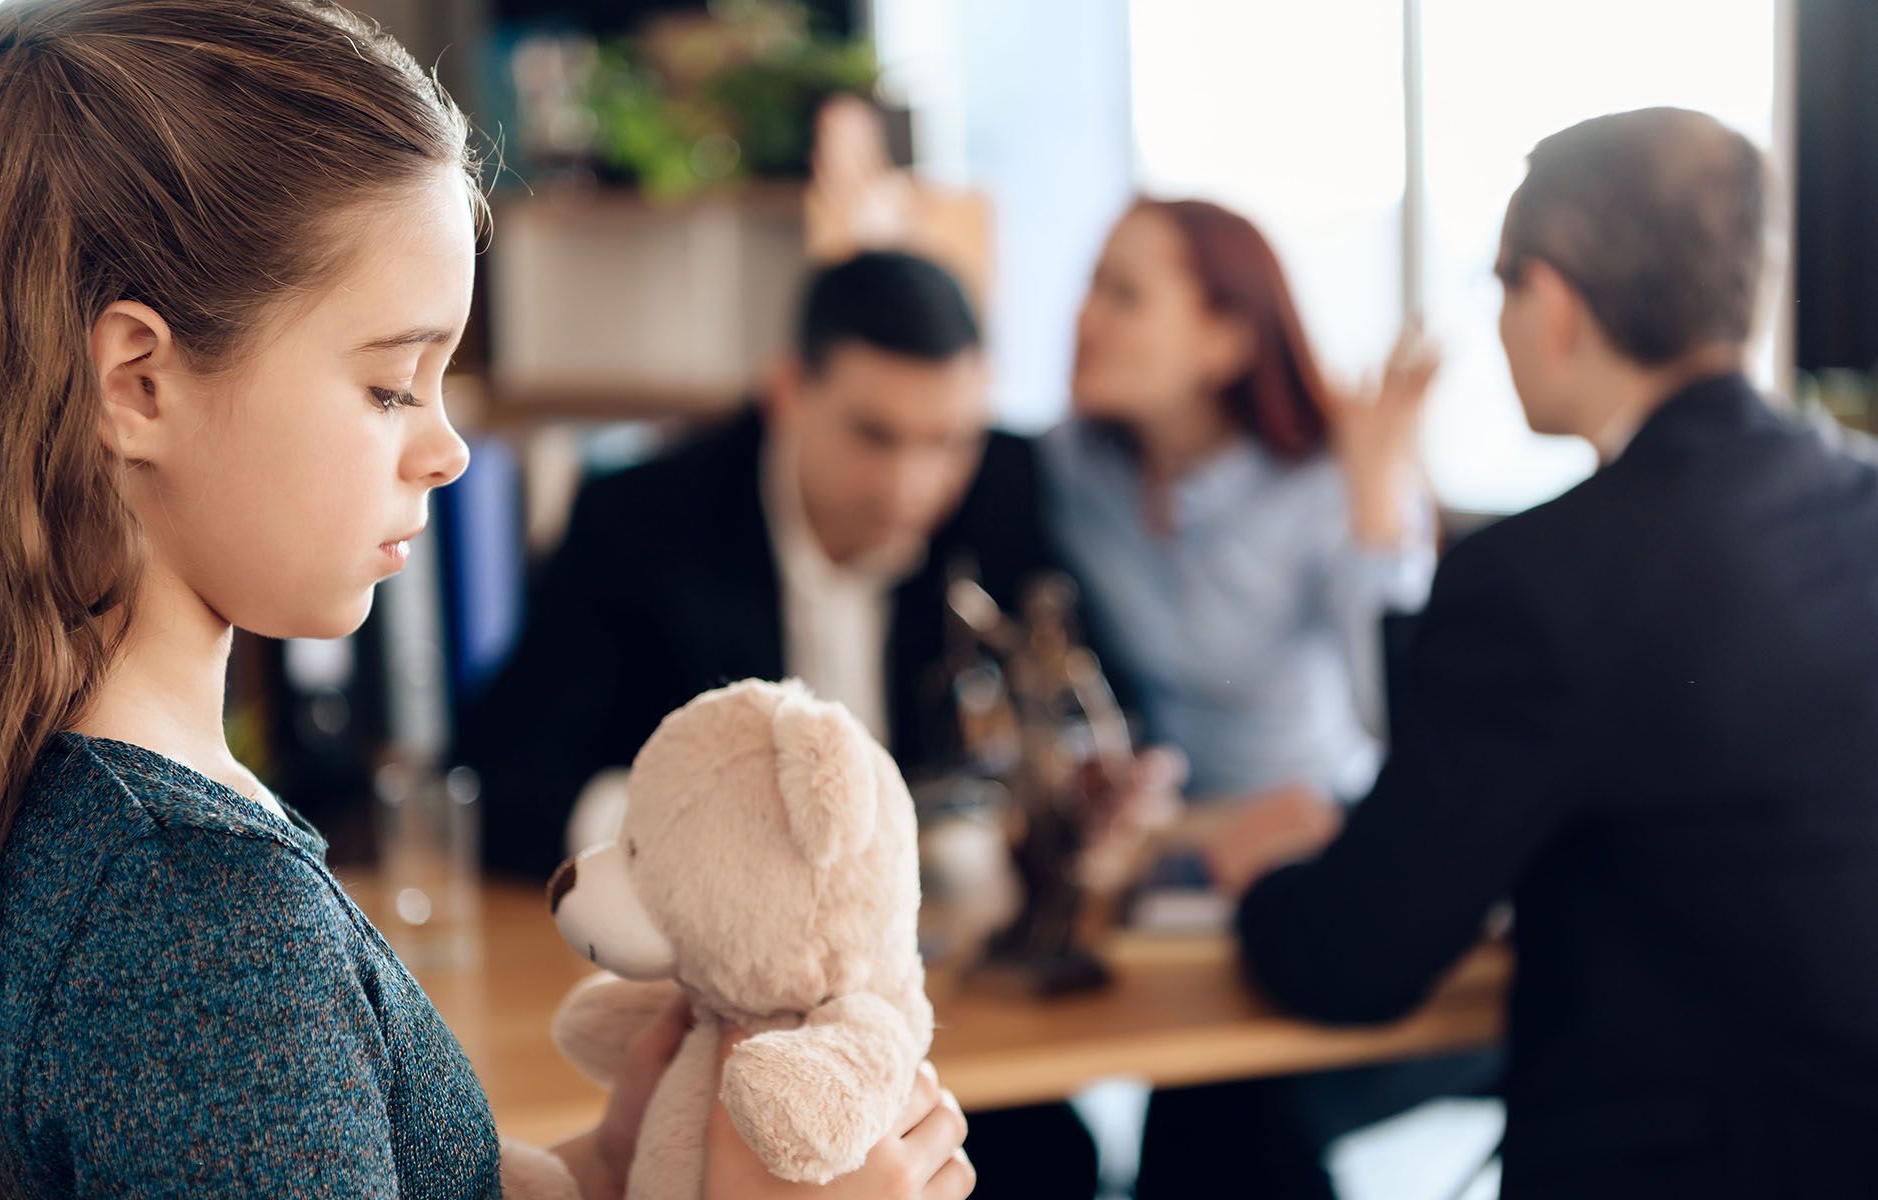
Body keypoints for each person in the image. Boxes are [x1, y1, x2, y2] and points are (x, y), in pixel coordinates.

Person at [0, 3, 973, 1197]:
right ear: (138, 382)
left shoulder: (120, 812)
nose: (447, 448)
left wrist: (607, 1168)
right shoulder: (203, 928)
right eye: (393, 384)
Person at [1227, 107, 1878, 1198]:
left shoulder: (1535, 583)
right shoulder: (1860, 502)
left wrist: (1264, 878)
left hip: (1673, 1165)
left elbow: (1357, 961)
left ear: (1556, 302)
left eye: (1499, 286)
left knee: (1233, 1129)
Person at [1034, 198, 1493, 1199]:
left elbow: (1396, 721)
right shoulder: (1073, 469)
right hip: (1154, 859)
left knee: (1226, 1127)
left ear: (1225, 339)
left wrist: (1378, 498)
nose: (1083, 318)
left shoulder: (1327, 480)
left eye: (1124, 294)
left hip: (1301, 851)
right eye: (1088, 286)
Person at [464, 251, 1070, 880]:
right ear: (787, 391)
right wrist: (681, 829)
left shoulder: (1005, 488)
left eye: (948, 440)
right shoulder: (639, 522)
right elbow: (505, 781)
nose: (910, 488)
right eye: (874, 435)